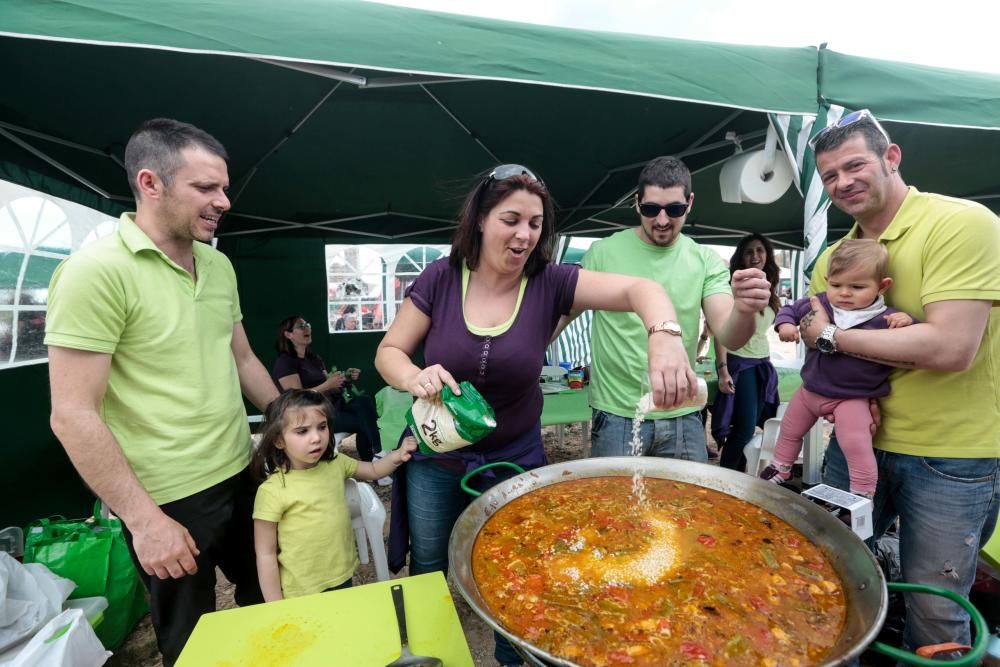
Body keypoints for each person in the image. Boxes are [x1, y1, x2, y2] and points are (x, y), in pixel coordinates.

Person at [374, 163, 696, 667]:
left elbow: (642, 291)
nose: (525, 234)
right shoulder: (440, 276)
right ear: (480, 219)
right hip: (435, 455)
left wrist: (665, 336)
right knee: (431, 565)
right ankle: (433, 654)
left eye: (536, 223)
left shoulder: (551, 283)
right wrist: (413, 376)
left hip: (514, 457)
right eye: (511, 219)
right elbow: (389, 350)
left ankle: (511, 657)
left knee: (521, 567)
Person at [44, 118, 279, 665]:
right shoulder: (95, 272)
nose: (224, 200)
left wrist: (284, 421)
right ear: (151, 183)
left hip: (239, 471)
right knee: (193, 642)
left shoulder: (218, 264)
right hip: (167, 497)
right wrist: (145, 522)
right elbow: (72, 414)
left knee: (267, 606)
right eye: (206, 188)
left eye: (224, 186)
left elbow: (240, 356)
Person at [801, 108, 1000, 651]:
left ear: (892, 157)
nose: (843, 182)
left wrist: (832, 339)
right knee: (827, 581)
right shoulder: (833, 259)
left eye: (854, 164)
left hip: (951, 455)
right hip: (853, 443)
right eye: (830, 176)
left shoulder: (961, 223)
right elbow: (813, 348)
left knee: (936, 608)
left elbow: (950, 347)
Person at [571, 156, 772, 461]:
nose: (662, 220)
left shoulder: (704, 259)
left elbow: (730, 336)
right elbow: (560, 312)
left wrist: (744, 309)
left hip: (684, 416)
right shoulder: (602, 253)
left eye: (674, 209)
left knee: (690, 508)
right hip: (617, 415)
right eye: (652, 209)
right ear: (637, 203)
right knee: (617, 508)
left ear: (690, 203)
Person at [762, 240, 914, 496]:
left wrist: (907, 319)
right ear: (827, 280)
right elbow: (789, 309)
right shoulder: (821, 302)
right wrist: (785, 325)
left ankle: (863, 490)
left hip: (852, 398)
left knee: (855, 442)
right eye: (836, 285)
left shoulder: (885, 318)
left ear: (883, 285)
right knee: (789, 429)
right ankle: (781, 466)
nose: (844, 293)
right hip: (810, 390)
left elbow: (913, 340)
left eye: (857, 287)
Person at [252, 389, 416, 600]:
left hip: (342, 575)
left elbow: (373, 470)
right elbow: (265, 554)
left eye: (322, 427)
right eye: (302, 431)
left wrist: (397, 456)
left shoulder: (336, 464)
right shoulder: (271, 491)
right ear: (278, 440)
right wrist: (276, 605)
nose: (316, 438)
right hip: (301, 589)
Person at [710, 233, 782, 471]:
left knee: (754, 426)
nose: (755, 256)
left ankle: (741, 473)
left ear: (767, 255)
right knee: (743, 430)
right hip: (740, 363)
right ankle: (725, 481)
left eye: (760, 250)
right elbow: (719, 332)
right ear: (741, 257)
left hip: (763, 363)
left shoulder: (769, 290)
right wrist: (722, 371)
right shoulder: (733, 289)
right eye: (749, 251)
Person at [272, 315, 384, 465]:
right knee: (364, 421)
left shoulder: (314, 358)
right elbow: (296, 398)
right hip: (310, 416)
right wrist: (327, 385)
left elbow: (330, 386)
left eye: (307, 324)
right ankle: (376, 456)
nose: (307, 327)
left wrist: (345, 377)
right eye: (301, 326)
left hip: (333, 406)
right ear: (288, 334)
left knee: (363, 402)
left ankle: (374, 458)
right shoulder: (285, 362)